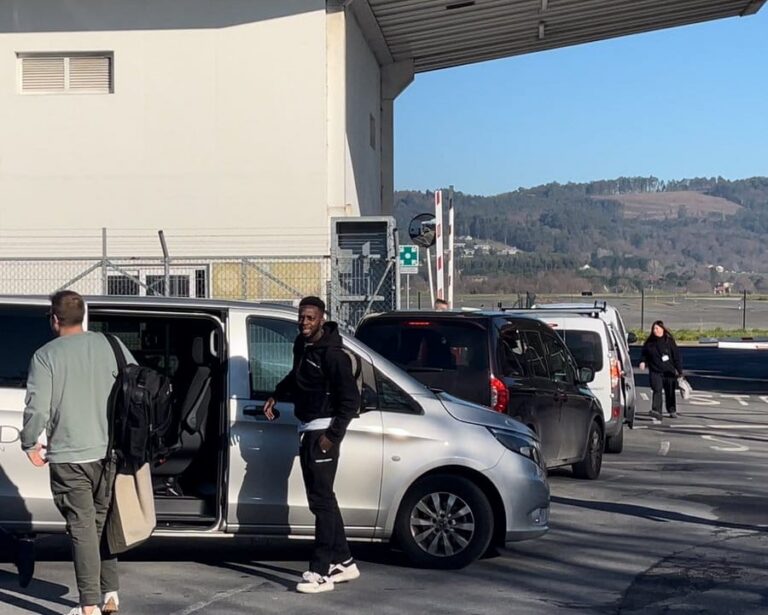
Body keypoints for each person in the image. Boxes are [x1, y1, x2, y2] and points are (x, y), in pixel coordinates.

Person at [21, 291, 135, 615]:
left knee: (82, 530)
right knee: (101, 523)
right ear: (82, 316)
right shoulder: (113, 345)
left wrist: (29, 444)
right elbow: (137, 387)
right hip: (109, 453)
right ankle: (110, 594)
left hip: (70, 457)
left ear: (55, 319)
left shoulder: (46, 356)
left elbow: (37, 409)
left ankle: (89, 607)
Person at [263, 296, 360, 594]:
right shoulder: (302, 346)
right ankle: (345, 562)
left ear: (321, 319)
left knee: (321, 501)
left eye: (310, 318)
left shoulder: (334, 356)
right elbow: (297, 377)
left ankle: (320, 572)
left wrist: (332, 437)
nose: (304, 323)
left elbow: (350, 402)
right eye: (301, 317)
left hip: (322, 431)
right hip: (306, 428)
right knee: (323, 499)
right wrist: (276, 394)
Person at [639, 320, 682, 421]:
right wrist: (642, 362)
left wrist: (680, 371)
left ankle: (672, 410)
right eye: (653, 329)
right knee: (657, 390)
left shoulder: (669, 341)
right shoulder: (649, 342)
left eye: (657, 328)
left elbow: (676, 356)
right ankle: (656, 411)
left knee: (670, 391)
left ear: (662, 329)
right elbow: (644, 354)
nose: (655, 330)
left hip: (669, 371)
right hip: (655, 371)